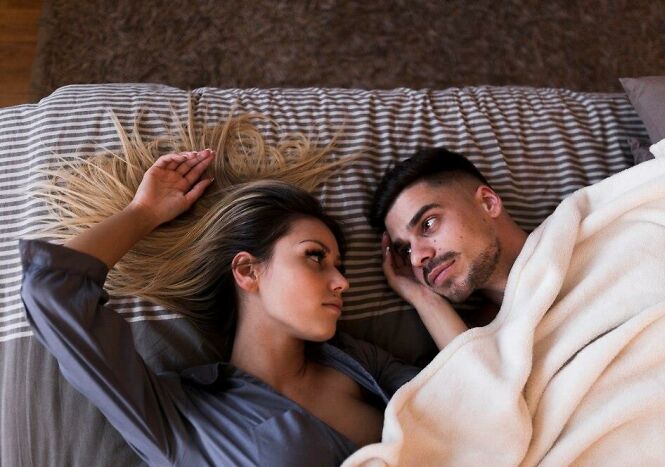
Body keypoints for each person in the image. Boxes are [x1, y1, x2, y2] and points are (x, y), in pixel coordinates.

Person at [20, 114, 419, 467]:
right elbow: (54, 290)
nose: (343, 282)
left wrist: (421, 297)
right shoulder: (180, 415)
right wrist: (143, 214)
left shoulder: (360, 363)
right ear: (247, 271)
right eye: (315, 257)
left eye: (339, 266)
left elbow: (467, 389)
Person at [368, 147, 529, 349]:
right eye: (406, 250)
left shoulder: (578, 225)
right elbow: (482, 380)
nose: (416, 259)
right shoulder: (486, 346)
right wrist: (423, 297)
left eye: (428, 224)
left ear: (488, 202)